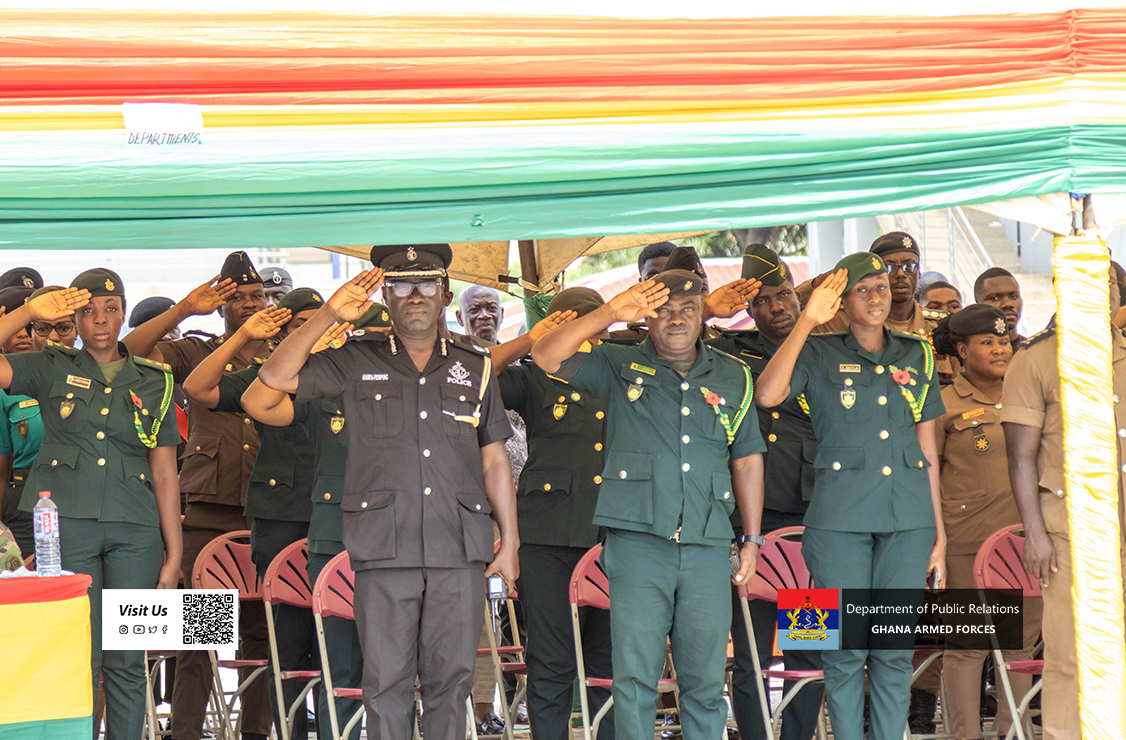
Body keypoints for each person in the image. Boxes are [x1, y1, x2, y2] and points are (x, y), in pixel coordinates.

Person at [257, 244, 519, 740]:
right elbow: (272, 379)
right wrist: (331, 314)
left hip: (458, 548)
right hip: (384, 547)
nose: (415, 295)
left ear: (445, 295)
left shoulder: (477, 365)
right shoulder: (353, 360)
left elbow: (494, 458)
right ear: (385, 292)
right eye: (401, 284)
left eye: (426, 285)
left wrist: (512, 542)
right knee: (385, 685)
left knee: (453, 682)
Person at [531, 269, 766, 740]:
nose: (676, 319)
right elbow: (545, 353)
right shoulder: (618, 364)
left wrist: (753, 539)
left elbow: (747, 459)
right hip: (638, 542)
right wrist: (611, 312)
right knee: (634, 679)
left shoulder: (733, 374)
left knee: (704, 681)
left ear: (704, 315)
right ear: (647, 316)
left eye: (688, 309)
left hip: (708, 543)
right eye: (663, 310)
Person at [755, 253, 947, 740]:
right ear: (840, 302)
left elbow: (928, 448)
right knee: (840, 650)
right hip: (836, 521)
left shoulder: (917, 352)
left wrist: (939, 534)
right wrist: (806, 320)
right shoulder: (817, 351)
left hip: (908, 519)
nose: (877, 297)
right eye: (862, 290)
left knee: (894, 648)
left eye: (881, 287)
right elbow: (767, 394)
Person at [0, 269, 182, 740]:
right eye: (87, 311)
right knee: (78, 651)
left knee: (125, 658)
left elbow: (164, 472)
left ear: (124, 313)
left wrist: (175, 555)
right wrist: (26, 312)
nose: (100, 320)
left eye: (111, 308)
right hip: (66, 529)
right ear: (73, 319)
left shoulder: (155, 381)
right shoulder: (50, 366)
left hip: (136, 531)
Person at [123, 251, 274, 740]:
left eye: (257, 296)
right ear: (224, 308)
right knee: (199, 636)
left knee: (263, 634)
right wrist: (186, 309)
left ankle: (255, 731)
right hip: (210, 509)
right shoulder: (199, 350)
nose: (250, 305)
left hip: (271, 509)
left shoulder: (285, 354)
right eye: (239, 299)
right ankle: (185, 731)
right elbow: (132, 350)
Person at [182, 291, 327, 740]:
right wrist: (244, 334)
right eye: (302, 324)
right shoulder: (265, 376)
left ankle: (268, 732)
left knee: (331, 638)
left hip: (334, 516)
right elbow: (197, 389)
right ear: (285, 332)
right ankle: (188, 732)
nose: (314, 331)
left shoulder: (351, 371)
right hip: (250, 515)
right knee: (217, 634)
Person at [241, 305, 386, 740]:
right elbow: (225, 393)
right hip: (246, 524)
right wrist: (311, 344)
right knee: (293, 650)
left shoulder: (416, 389)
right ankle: (215, 729)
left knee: (390, 665)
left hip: (384, 535)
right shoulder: (319, 385)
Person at [1002, 267, 1126, 740]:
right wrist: (1033, 531)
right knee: (1072, 654)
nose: (1104, 292)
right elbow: (1020, 456)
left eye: (1110, 284)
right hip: (1070, 531)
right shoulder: (1036, 358)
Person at [705, 245, 824, 740]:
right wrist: (711, 308)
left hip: (809, 517)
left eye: (785, 297)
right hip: (751, 521)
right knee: (751, 645)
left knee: (809, 648)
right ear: (750, 310)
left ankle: (797, 734)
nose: (779, 307)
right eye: (767, 301)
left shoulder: (823, 349)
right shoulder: (731, 350)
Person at [489, 287, 615, 740]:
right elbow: (474, 377)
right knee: (553, 657)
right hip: (550, 535)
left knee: (613, 658)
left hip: (616, 531)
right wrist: (530, 340)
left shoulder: (623, 365)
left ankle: (834, 719)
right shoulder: (534, 376)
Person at [929, 305, 1041, 740]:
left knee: (1017, 648)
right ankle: (964, 736)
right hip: (966, 542)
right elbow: (928, 472)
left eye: (1004, 340)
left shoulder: (1027, 392)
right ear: (961, 350)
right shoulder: (942, 402)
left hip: (1023, 541)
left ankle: (1014, 732)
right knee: (967, 648)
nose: (1000, 348)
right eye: (987, 342)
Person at [0, 286, 37, 555]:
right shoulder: (4, 390)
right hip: (22, 503)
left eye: (33, 325)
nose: (24, 333)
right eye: (17, 324)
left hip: (84, 499)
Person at [974, 268, 1025, 348]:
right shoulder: (969, 354)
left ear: (1022, 302)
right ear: (978, 307)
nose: (1007, 304)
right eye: (994, 298)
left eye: (1014, 297)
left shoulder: (1035, 352)